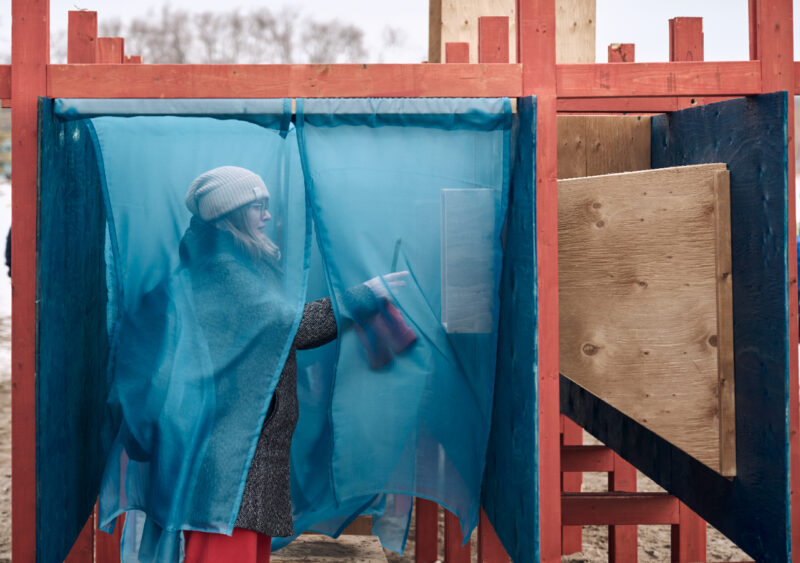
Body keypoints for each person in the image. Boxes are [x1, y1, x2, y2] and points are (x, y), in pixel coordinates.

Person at [174, 166, 409, 562]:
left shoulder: (238, 262)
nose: (267, 215)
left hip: (247, 448)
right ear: (229, 214)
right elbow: (290, 327)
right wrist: (364, 296)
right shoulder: (221, 268)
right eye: (257, 206)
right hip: (234, 454)